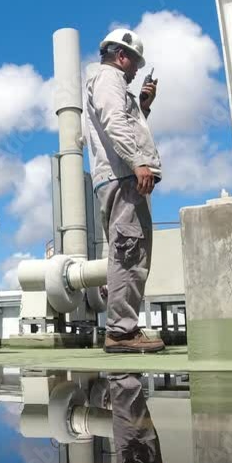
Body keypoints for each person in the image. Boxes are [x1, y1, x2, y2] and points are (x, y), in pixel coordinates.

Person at [85, 28, 164, 354]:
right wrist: (137, 162)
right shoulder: (109, 78)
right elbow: (114, 121)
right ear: (121, 56)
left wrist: (143, 106)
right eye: (134, 64)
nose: (135, 73)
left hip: (119, 176)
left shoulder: (111, 83)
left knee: (127, 251)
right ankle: (121, 331)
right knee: (129, 253)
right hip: (123, 177)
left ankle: (123, 327)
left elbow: (125, 121)